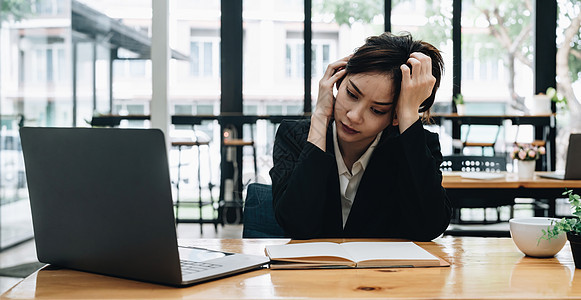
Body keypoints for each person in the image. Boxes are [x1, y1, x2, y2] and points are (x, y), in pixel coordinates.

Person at [269, 32, 451, 241]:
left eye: (377, 110)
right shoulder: (295, 136)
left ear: (395, 117)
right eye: (352, 95)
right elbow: (297, 225)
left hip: (385, 272)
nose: (354, 116)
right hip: (313, 272)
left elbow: (428, 228)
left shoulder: (418, 145)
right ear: (338, 81)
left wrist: (409, 115)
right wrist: (320, 115)